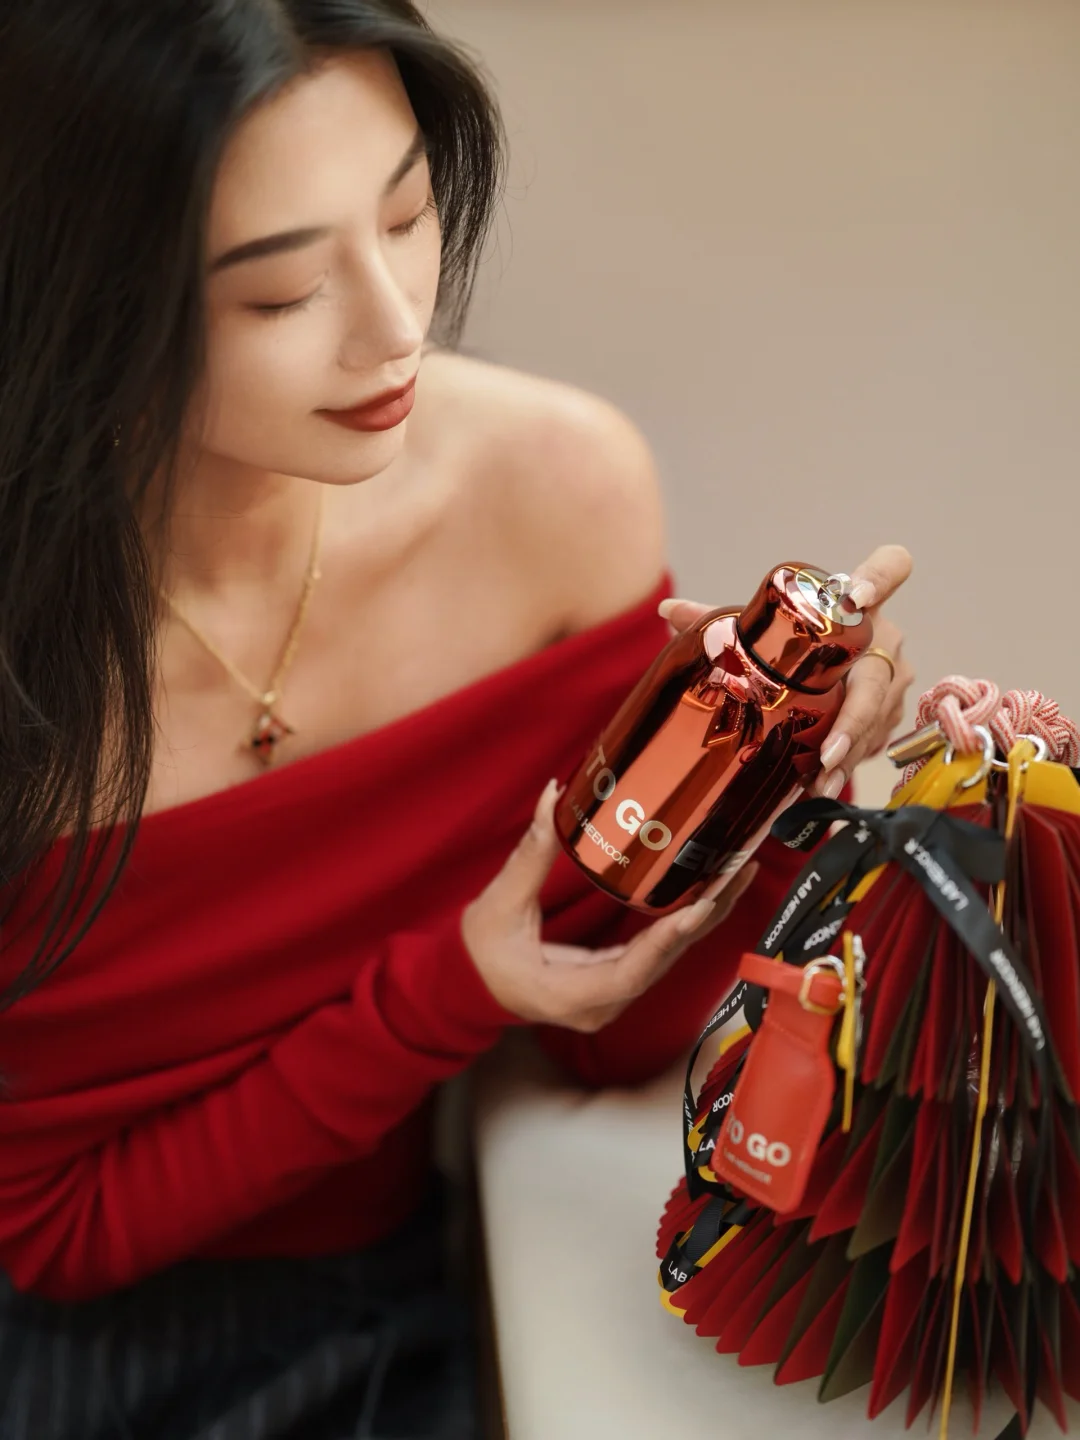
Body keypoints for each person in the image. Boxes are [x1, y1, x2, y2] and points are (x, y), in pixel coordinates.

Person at [0, 2, 915, 1436]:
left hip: (361, 1313)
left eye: (410, 213)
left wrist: (768, 763)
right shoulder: (33, 635)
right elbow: (53, 1235)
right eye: (279, 293)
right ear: (73, 294)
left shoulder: (552, 494)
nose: (395, 328)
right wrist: (441, 999)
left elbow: (613, 1025)